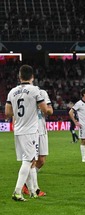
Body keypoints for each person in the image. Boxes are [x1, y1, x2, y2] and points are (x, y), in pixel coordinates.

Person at [5, 64, 50, 201]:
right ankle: (17, 191)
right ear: (32, 77)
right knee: (29, 160)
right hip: (30, 131)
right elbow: (45, 110)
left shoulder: (12, 92)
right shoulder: (35, 90)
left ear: (19, 77)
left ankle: (32, 191)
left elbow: (7, 113)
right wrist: (45, 109)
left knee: (31, 160)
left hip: (18, 130)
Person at [22, 89, 54, 197]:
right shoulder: (24, 94)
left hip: (42, 131)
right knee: (32, 161)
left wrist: (43, 107)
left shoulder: (43, 93)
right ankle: (35, 189)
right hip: (31, 131)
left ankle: (25, 182)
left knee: (42, 160)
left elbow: (50, 111)